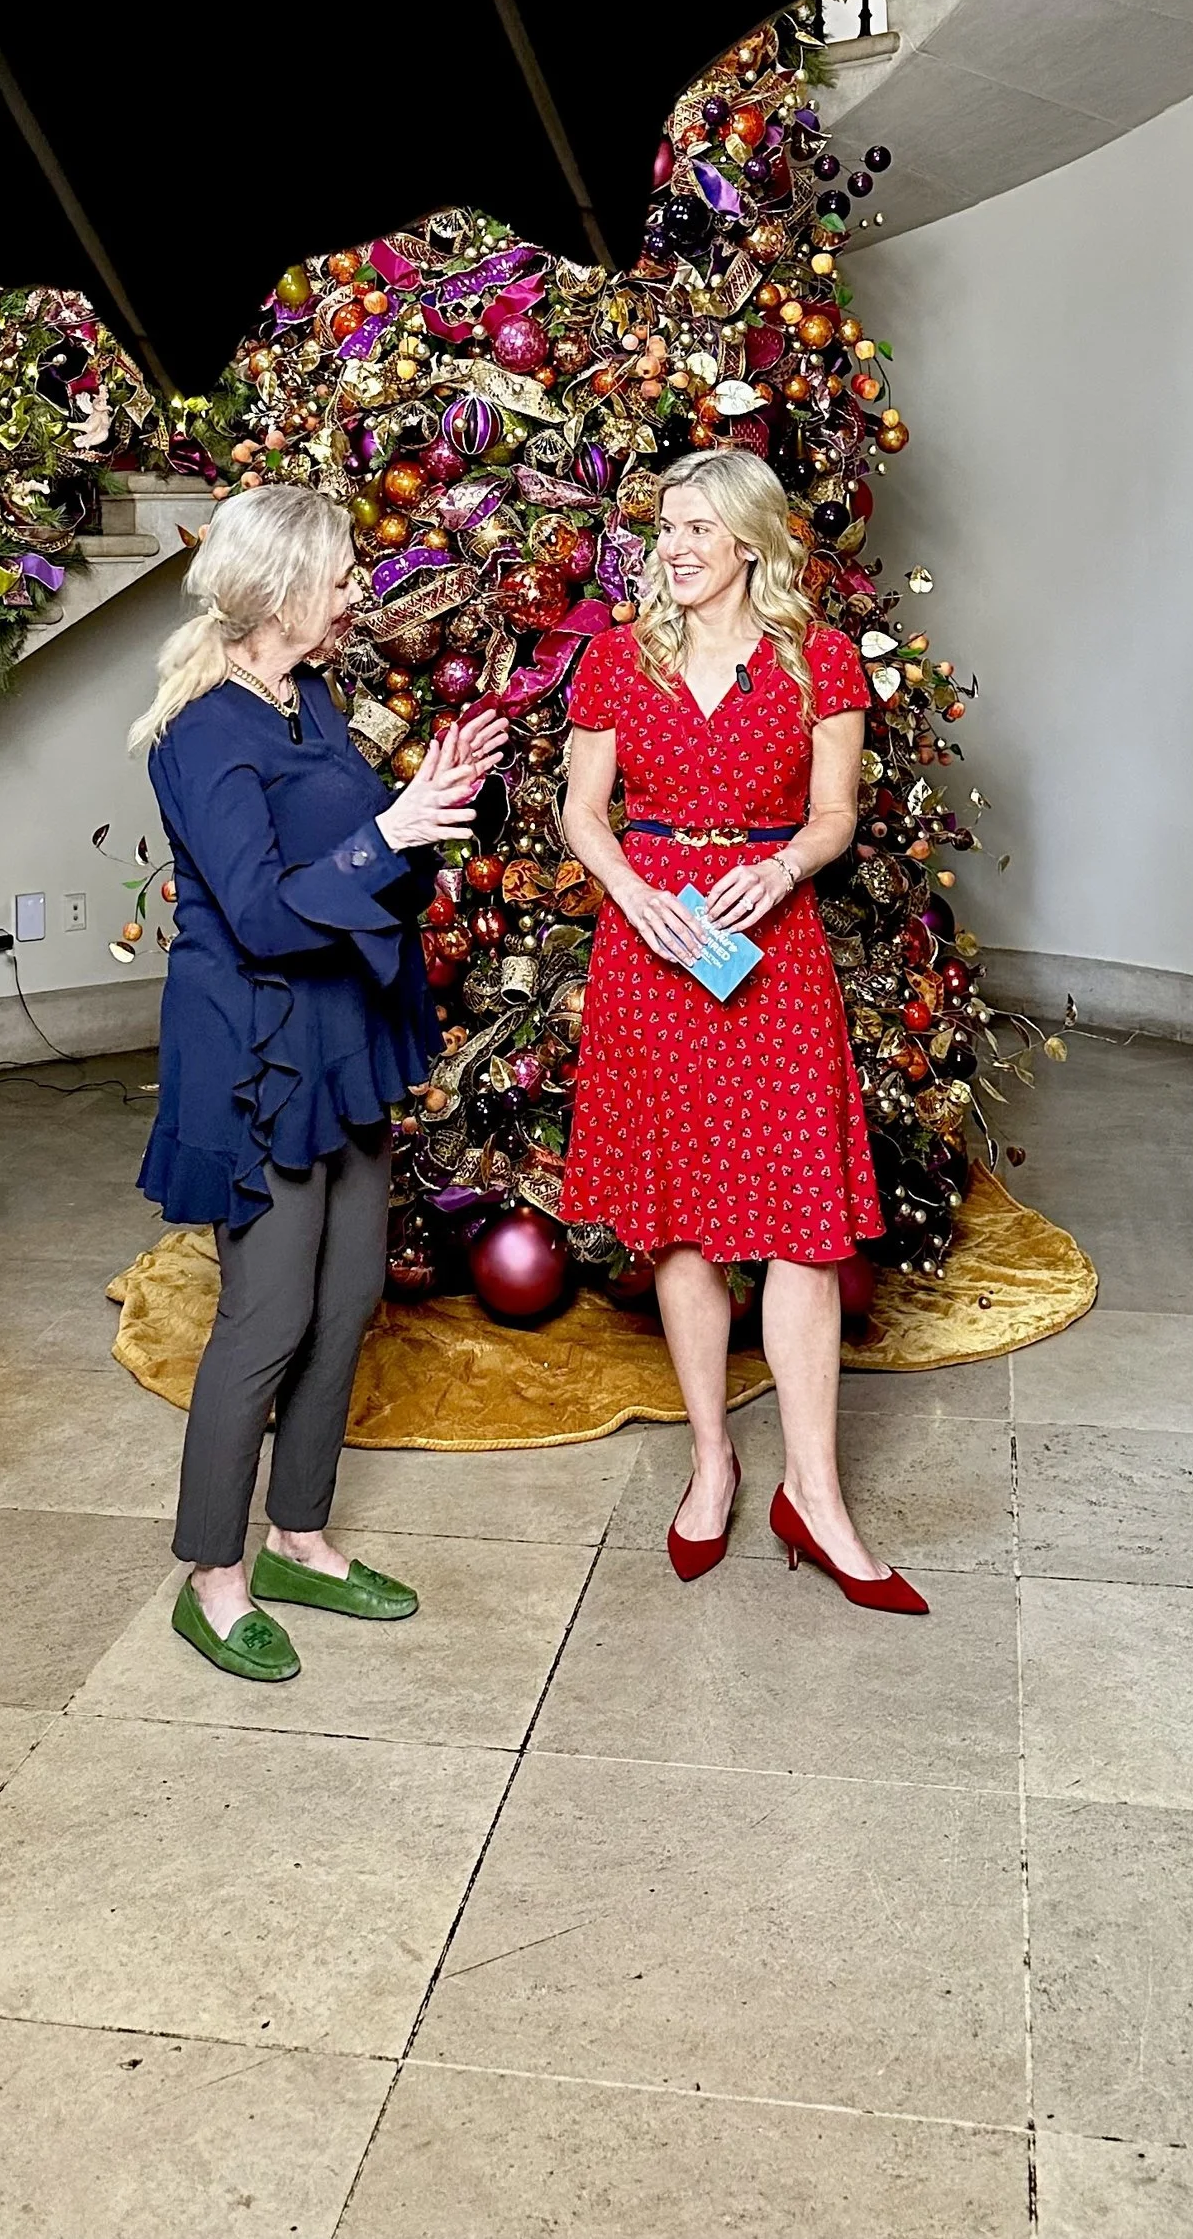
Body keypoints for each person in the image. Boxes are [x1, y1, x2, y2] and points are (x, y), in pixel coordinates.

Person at [130, 484, 507, 1680]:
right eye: (342, 576)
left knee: (348, 1299)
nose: (357, 592)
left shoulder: (310, 699)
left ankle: (297, 1536)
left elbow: (358, 869)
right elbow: (254, 912)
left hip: (341, 1032)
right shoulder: (203, 733)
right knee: (268, 1314)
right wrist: (386, 835)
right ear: (283, 589)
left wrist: (428, 809)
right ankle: (215, 1574)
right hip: (255, 1050)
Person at [559, 448, 927, 1614]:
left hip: (772, 949)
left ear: (752, 545)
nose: (672, 547)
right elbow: (580, 813)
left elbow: (835, 815)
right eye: (665, 527)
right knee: (674, 1218)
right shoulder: (617, 658)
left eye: (697, 531)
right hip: (655, 946)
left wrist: (780, 871)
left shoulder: (815, 659)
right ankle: (712, 1462)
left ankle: (814, 1492)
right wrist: (636, 897)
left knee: (804, 1227)